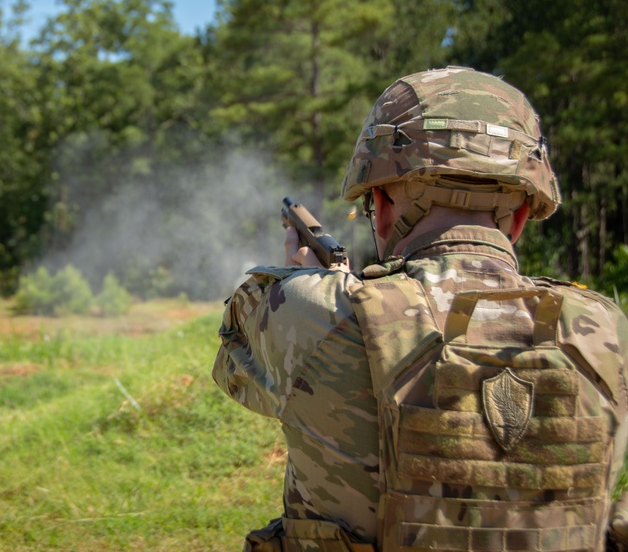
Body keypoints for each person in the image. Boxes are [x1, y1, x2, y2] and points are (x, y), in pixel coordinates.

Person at [213, 66, 628, 552]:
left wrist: (306, 283)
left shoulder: (314, 312)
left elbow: (235, 356)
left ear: (383, 206)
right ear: (519, 216)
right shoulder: (609, 330)